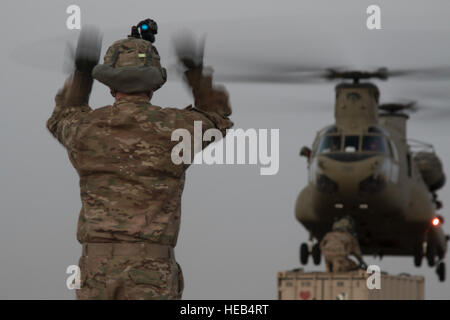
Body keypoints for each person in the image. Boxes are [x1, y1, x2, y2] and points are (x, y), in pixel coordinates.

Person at [46, 23, 233, 299]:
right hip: (152, 273)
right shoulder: (175, 130)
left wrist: (82, 74)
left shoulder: (84, 129)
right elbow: (217, 116)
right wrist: (194, 71)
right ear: (154, 84)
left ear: (110, 86)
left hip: (96, 271)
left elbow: (62, 116)